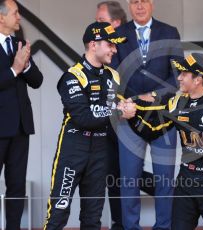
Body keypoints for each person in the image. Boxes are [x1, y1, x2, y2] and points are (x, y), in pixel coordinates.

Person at [130, 53, 203, 230]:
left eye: (184, 74)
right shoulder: (177, 103)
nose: (178, 77)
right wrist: (133, 116)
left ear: (198, 79)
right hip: (186, 183)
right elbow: (153, 129)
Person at [43, 21, 136, 229]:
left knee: (93, 218)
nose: (114, 49)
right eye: (110, 44)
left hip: (101, 150)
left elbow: (117, 106)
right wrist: (119, 111)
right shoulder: (72, 76)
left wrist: (126, 106)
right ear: (94, 45)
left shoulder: (113, 76)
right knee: (58, 212)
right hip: (73, 149)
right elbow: (84, 117)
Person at [112, 0, 183, 229]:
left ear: (151, 3)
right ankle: (131, 227)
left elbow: (178, 75)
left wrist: (154, 94)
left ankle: (164, 226)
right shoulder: (119, 33)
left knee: (165, 179)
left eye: (143, 1)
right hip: (130, 116)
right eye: (134, 1)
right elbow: (113, 75)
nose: (139, 6)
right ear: (129, 5)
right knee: (129, 179)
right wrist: (130, 101)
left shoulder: (169, 31)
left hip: (163, 118)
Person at [95, 2, 154, 229]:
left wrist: (129, 103)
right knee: (114, 173)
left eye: (101, 21)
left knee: (128, 173)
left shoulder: (125, 43)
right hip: (109, 122)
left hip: (132, 116)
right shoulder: (98, 50)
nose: (96, 25)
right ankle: (119, 223)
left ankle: (173, 190)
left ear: (116, 24)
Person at [0, 0, 43, 228]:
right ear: (1, 17)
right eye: (15, 13)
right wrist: (15, 69)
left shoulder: (19, 44)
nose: (19, 18)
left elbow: (37, 81)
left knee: (16, 186)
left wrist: (25, 66)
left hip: (20, 128)